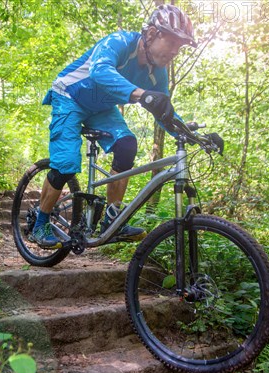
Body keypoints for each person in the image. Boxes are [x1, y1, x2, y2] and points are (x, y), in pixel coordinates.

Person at [32, 4, 197, 249]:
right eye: (171, 42)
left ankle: (111, 218)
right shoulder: (119, 42)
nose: (175, 50)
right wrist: (141, 94)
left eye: (180, 46)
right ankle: (40, 223)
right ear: (151, 34)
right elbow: (100, 71)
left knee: (127, 145)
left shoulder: (158, 73)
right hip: (69, 96)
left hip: (101, 108)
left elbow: (163, 110)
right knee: (66, 163)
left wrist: (190, 133)